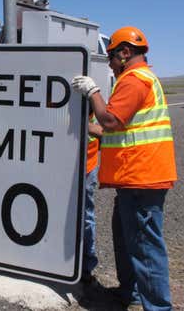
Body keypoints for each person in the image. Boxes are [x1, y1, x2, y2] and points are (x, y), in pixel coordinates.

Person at [72, 26, 177, 311]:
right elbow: (114, 131)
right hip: (134, 179)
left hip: (143, 178)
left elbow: (110, 121)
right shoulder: (138, 79)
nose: (109, 62)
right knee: (126, 237)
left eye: (111, 56)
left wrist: (92, 91)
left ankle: (157, 307)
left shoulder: (134, 80)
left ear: (125, 52)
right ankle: (130, 293)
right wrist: (83, 126)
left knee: (144, 246)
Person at [82, 111, 103, 285]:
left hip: (87, 165)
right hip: (58, 162)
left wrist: (84, 125)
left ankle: (86, 266)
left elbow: (107, 128)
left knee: (85, 217)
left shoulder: (94, 89)